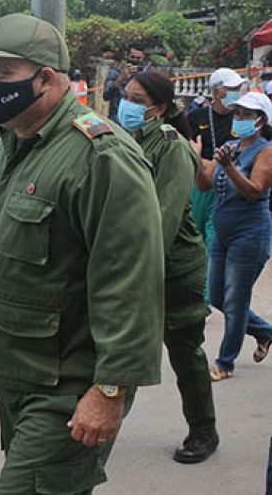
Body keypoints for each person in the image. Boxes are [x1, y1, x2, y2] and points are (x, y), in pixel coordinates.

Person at [0, 13, 165, 493]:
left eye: (2, 76)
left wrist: (110, 389)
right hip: (19, 373)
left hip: (68, 386)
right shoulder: (16, 143)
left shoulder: (101, 156)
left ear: (46, 78)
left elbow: (130, 279)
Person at [116, 70, 219, 463]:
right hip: (134, 262)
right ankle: (102, 427)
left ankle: (204, 431)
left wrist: (128, 274)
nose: (127, 105)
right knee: (124, 348)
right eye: (125, 96)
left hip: (173, 268)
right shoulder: (124, 142)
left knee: (184, 352)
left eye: (137, 100)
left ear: (158, 109)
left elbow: (163, 218)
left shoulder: (173, 148)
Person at [193, 91, 272, 381]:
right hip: (223, 233)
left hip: (250, 234)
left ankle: (225, 362)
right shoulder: (228, 146)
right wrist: (195, 158)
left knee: (236, 301)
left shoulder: (266, 151)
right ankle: (265, 332)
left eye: (245, 115)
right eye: (236, 113)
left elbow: (254, 191)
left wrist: (228, 167)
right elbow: (203, 185)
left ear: (261, 120)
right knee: (216, 296)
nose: (237, 119)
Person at [189, 68, 250, 300]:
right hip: (199, 183)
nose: (236, 93)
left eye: (237, 89)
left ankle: (207, 296)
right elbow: (189, 147)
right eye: (231, 89)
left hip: (229, 185)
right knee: (195, 237)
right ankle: (194, 288)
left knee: (215, 239)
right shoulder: (196, 117)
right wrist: (206, 164)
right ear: (217, 92)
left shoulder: (244, 118)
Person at [103, 42, 149, 121]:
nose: (135, 60)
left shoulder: (148, 75)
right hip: (117, 119)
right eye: (132, 57)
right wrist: (121, 78)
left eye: (138, 58)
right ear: (127, 56)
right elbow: (106, 96)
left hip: (138, 120)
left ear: (143, 58)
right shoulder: (115, 72)